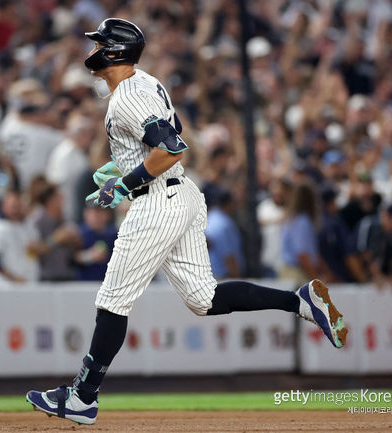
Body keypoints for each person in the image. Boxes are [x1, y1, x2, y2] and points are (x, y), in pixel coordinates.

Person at [25, 18, 348, 426]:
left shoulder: (126, 95)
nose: (91, 50)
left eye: (98, 44)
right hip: (181, 195)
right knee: (204, 299)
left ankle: (82, 396)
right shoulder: (145, 83)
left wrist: (124, 183)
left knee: (112, 300)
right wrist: (119, 168)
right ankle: (299, 301)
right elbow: (157, 144)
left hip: (158, 202)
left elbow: (172, 147)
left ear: (113, 52)